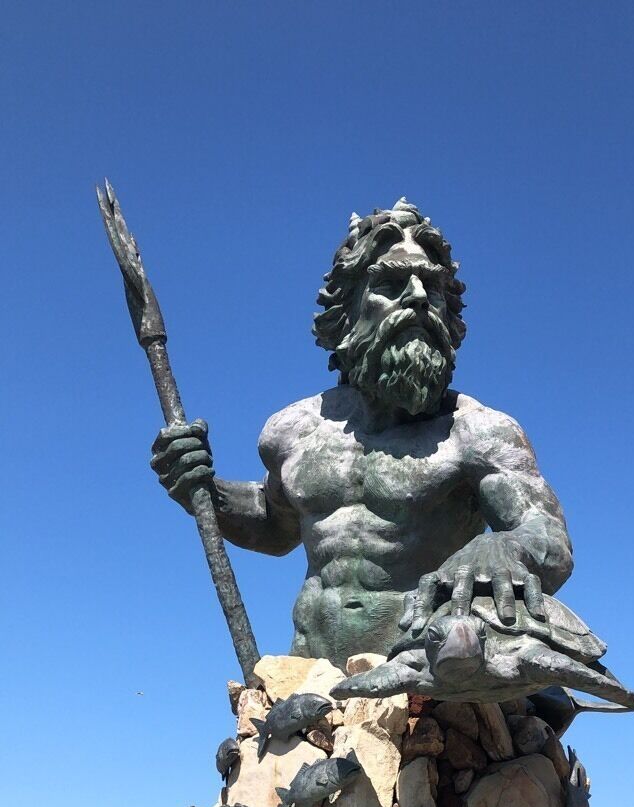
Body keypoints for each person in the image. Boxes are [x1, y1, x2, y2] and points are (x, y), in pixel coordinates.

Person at [151, 200, 573, 669]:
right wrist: (203, 490)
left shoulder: (476, 432)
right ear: (347, 310)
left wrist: (504, 546)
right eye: (391, 284)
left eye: (431, 287)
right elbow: (275, 526)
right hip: (312, 681)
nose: (416, 297)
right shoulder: (293, 430)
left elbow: (548, 538)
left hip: (426, 687)